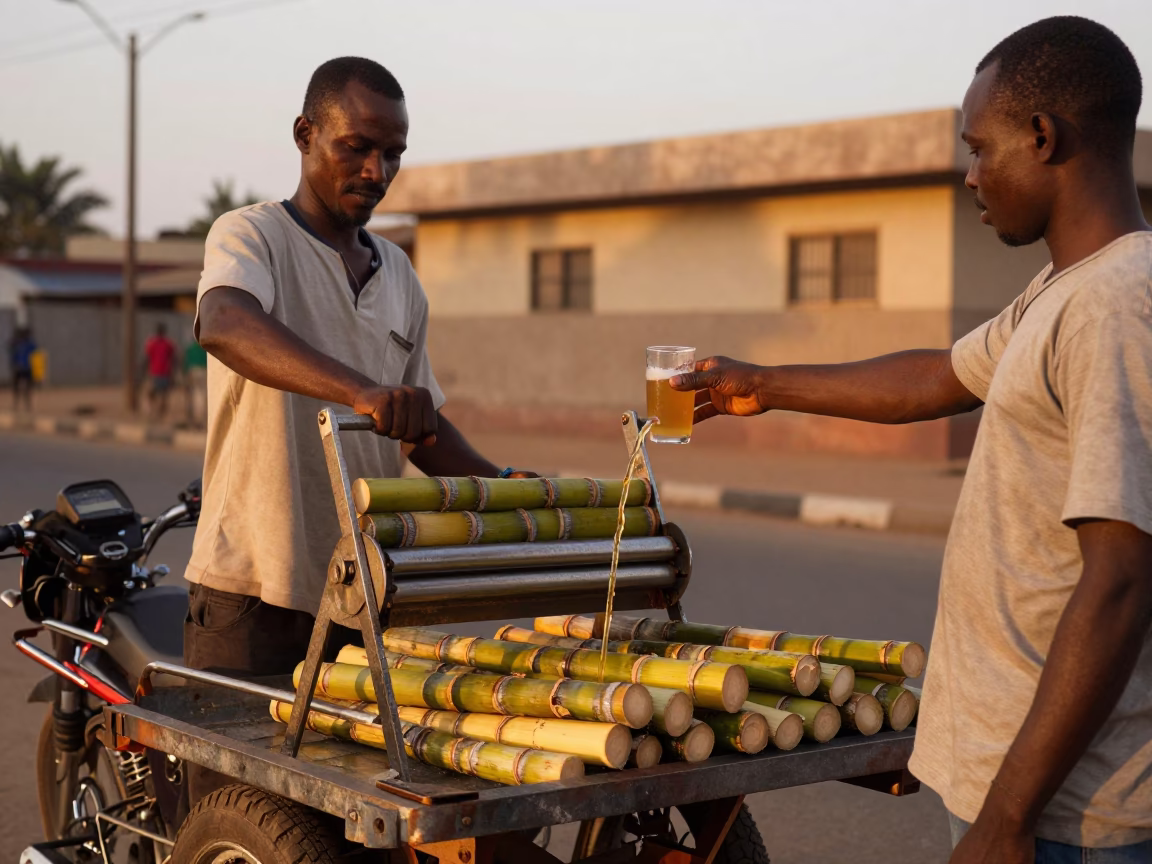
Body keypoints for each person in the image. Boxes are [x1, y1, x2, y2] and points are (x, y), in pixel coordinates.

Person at [670, 17, 1152, 863]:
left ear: (1043, 137)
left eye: (979, 148)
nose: (970, 175)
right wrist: (765, 385)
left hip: (1069, 817)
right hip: (1026, 795)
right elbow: (939, 377)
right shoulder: (1063, 290)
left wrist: (1008, 819)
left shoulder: (1117, 305)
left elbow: (1119, 581)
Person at [184, 57, 530, 802]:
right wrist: (362, 390)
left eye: (395, 153)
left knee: (349, 826)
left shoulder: (399, 274)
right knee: (236, 821)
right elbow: (225, 323)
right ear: (306, 135)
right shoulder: (251, 237)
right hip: (253, 592)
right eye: (357, 146)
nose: (377, 169)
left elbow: (421, 430)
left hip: (361, 600)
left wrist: (502, 488)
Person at [142, 322, 176, 420]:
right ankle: (161, 415)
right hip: (165, 373)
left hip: (155, 373)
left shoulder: (151, 343)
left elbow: (146, 358)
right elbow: (174, 358)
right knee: (164, 396)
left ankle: (152, 411)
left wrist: (144, 371)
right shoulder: (169, 344)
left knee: (151, 394)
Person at [181, 336, 207, 428]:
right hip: (203, 372)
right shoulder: (205, 349)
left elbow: (186, 362)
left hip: (193, 372)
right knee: (201, 395)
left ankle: (196, 417)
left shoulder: (191, 349)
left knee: (195, 395)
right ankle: (199, 418)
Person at [9, 326, 36, 412]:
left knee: (27, 388)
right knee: (17, 388)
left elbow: (36, 353)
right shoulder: (16, 344)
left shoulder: (30, 344)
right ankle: (16, 405)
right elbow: (12, 353)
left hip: (27, 368)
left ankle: (27, 405)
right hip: (19, 368)